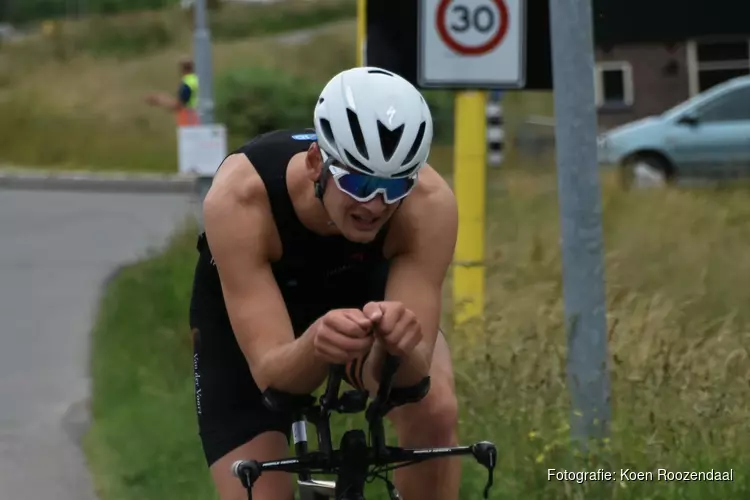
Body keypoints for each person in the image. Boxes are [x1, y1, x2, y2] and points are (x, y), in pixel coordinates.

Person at [189, 66, 460, 500]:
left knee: (434, 411)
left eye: (394, 187)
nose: (374, 205)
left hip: (364, 300)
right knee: (257, 489)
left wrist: (397, 347)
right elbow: (275, 378)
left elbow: (408, 381)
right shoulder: (240, 198)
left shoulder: (429, 205)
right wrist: (315, 342)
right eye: (357, 182)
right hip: (253, 324)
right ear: (317, 163)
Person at [145, 56, 200, 126]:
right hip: (201, 123)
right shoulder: (199, 80)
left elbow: (177, 105)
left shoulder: (187, 83)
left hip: (190, 124)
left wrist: (159, 100)